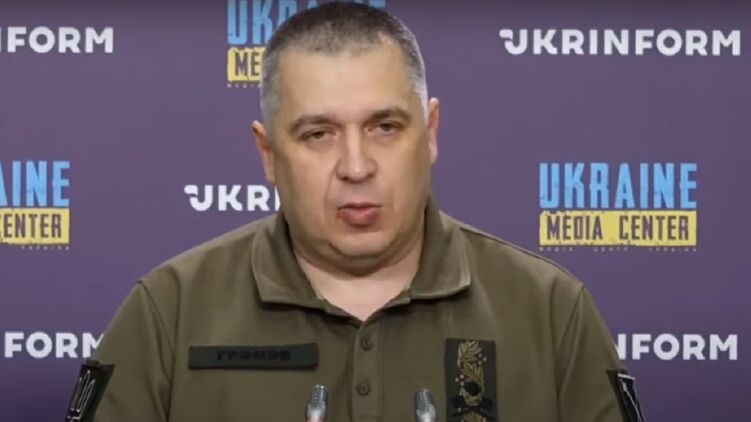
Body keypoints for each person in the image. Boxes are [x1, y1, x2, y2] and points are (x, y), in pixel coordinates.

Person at [82, 2, 640, 421]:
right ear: (268, 154)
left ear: (431, 133)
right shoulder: (168, 313)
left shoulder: (551, 312)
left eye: (385, 127)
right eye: (318, 134)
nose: (356, 166)